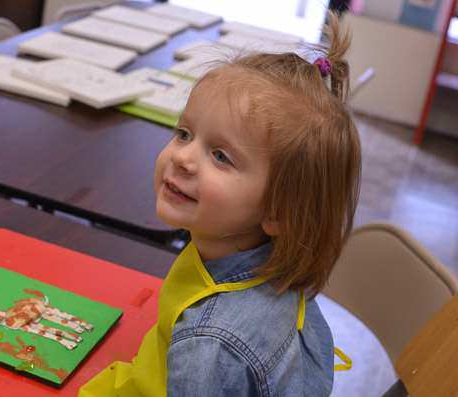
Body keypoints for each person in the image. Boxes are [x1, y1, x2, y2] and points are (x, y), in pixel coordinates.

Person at [80, 12, 360, 397]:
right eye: (184, 133)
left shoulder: (212, 345)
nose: (183, 158)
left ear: (279, 211)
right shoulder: (263, 265)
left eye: (221, 156)